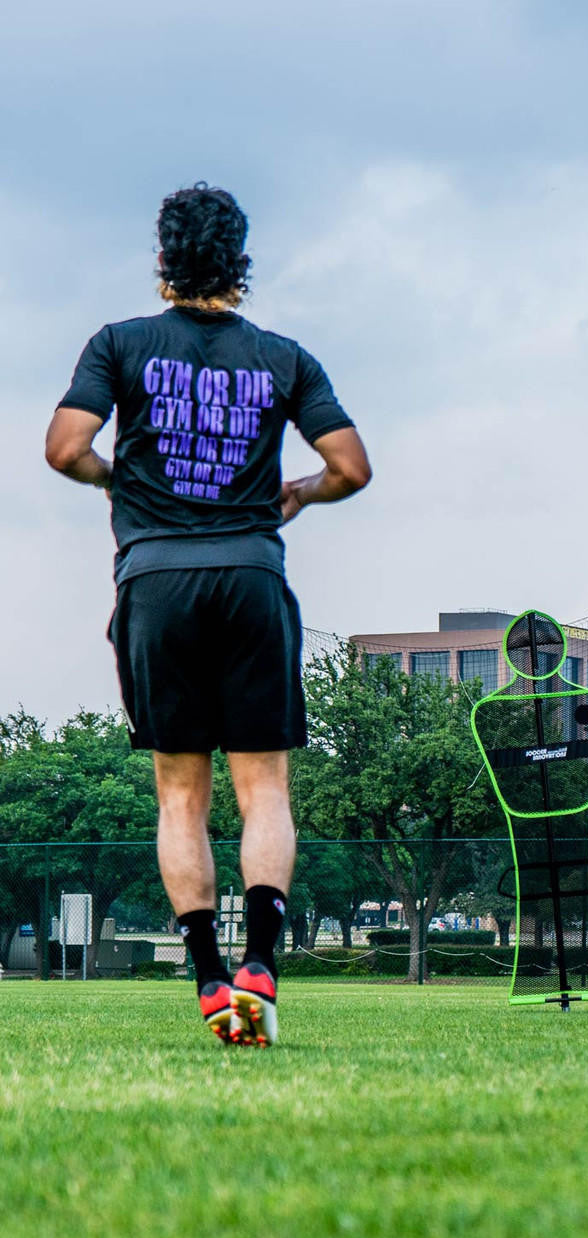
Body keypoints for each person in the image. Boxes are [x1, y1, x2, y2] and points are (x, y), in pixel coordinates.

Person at [45, 183, 371, 1046]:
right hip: (253, 578)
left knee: (179, 797)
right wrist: (297, 491)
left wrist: (121, 478)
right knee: (263, 788)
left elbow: (64, 450)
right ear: (241, 266)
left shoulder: (120, 344)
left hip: (156, 583)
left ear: (163, 264)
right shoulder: (283, 357)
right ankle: (260, 964)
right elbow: (351, 466)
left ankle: (206, 979)